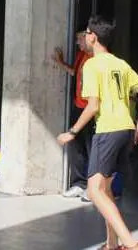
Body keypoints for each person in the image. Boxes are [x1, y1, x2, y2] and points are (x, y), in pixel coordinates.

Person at [58, 15, 138, 250]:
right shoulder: (120, 64)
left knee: (94, 191)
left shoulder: (92, 65)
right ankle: (112, 244)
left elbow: (93, 105)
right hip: (125, 130)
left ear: (93, 37)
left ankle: (130, 244)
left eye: (85, 34)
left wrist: (72, 131)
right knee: (105, 190)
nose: (83, 38)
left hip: (108, 130)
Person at [52, 29, 94, 200]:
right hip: (78, 107)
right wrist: (60, 63)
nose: (78, 42)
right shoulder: (81, 56)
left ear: (90, 37)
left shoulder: (97, 59)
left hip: (91, 108)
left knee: (92, 148)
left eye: (80, 38)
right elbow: (75, 74)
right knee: (76, 146)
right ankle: (78, 183)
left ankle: (93, 188)